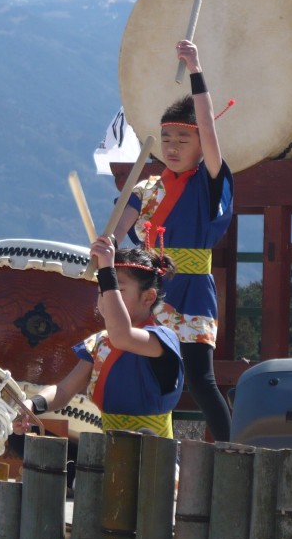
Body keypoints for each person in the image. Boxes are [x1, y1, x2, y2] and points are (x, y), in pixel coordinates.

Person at [113, 39, 234, 441]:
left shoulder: (208, 183)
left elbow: (211, 129)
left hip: (193, 290)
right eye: (167, 140)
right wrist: (106, 249)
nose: (173, 148)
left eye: (184, 140)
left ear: (201, 145)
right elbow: (117, 231)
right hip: (149, 290)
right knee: (142, 371)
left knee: (200, 380)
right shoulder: (145, 187)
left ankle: (232, 455)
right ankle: (148, 450)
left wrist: (196, 69)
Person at [13, 241, 183, 440]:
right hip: (108, 449)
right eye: (102, 291)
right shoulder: (99, 343)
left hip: (154, 453)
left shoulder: (162, 338)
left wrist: (107, 271)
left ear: (148, 297)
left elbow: (122, 337)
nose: (106, 298)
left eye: (115, 290)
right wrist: (32, 406)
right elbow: (64, 390)